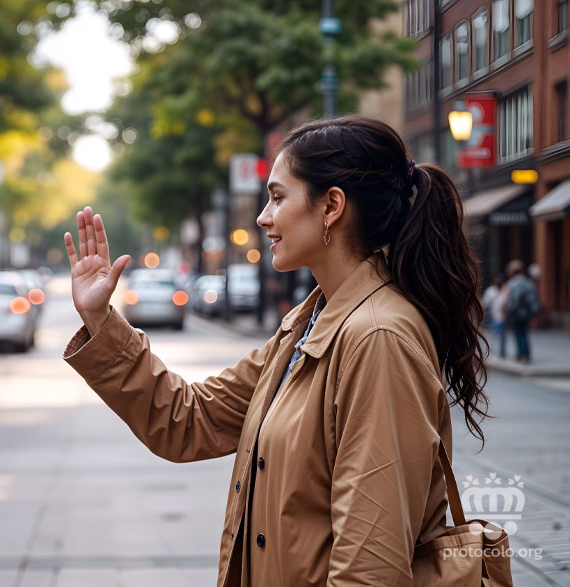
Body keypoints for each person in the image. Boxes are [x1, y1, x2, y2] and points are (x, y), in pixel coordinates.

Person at [62, 116, 491, 586]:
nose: (263, 217)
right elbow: (188, 421)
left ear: (331, 206)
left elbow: (371, 566)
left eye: (278, 197)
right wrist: (101, 320)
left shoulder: (377, 338)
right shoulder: (309, 325)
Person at [505, 259, 539, 363]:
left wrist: (508, 311)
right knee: (524, 332)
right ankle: (526, 354)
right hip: (527, 313)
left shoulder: (512, 283)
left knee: (518, 333)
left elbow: (513, 301)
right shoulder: (529, 283)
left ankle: (521, 354)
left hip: (516, 313)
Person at [483, 273, 508, 357]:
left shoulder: (505, 290)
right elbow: (486, 304)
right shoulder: (491, 291)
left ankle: (501, 351)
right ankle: (495, 351)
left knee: (500, 335)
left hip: (501, 316)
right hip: (493, 315)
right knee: (494, 334)